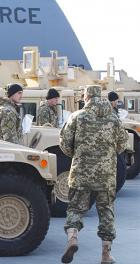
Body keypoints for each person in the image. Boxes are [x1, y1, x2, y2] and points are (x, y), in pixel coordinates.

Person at [59, 85, 128, 264]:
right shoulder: (114, 119)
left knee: (75, 209)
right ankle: (106, 255)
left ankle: (72, 238)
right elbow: (122, 145)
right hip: (106, 175)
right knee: (106, 212)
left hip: (81, 173)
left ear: (86, 97)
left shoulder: (76, 117)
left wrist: (79, 153)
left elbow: (65, 145)